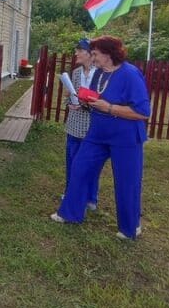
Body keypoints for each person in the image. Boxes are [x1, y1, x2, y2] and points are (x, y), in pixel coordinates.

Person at [51, 35, 150, 240]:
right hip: (97, 134)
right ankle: (70, 213)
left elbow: (142, 112)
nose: (92, 57)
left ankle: (130, 228)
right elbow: (96, 100)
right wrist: (83, 103)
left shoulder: (130, 74)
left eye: (95, 54)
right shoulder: (99, 73)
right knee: (79, 168)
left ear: (108, 54)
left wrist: (110, 108)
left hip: (125, 138)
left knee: (127, 182)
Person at [63, 38, 98, 210]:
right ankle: (71, 193)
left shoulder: (100, 74)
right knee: (72, 160)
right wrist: (69, 103)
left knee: (90, 163)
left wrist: (85, 104)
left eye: (79, 50)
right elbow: (70, 95)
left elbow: (103, 100)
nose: (76, 53)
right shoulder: (76, 73)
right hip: (74, 125)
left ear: (90, 54)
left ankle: (91, 197)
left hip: (92, 126)